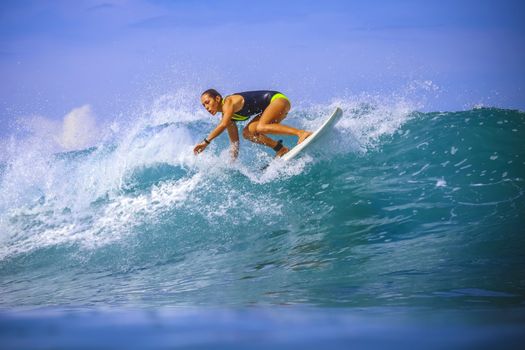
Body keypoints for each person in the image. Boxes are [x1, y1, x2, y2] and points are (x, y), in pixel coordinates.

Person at [193, 89, 312, 160]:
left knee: (261, 127)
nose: (206, 107)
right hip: (270, 109)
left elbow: (222, 125)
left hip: (278, 100)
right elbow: (234, 143)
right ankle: (281, 149)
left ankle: (301, 133)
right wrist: (231, 162)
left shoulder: (228, 102)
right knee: (247, 133)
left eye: (207, 102)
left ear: (217, 98)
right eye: (204, 105)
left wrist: (205, 142)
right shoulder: (228, 118)